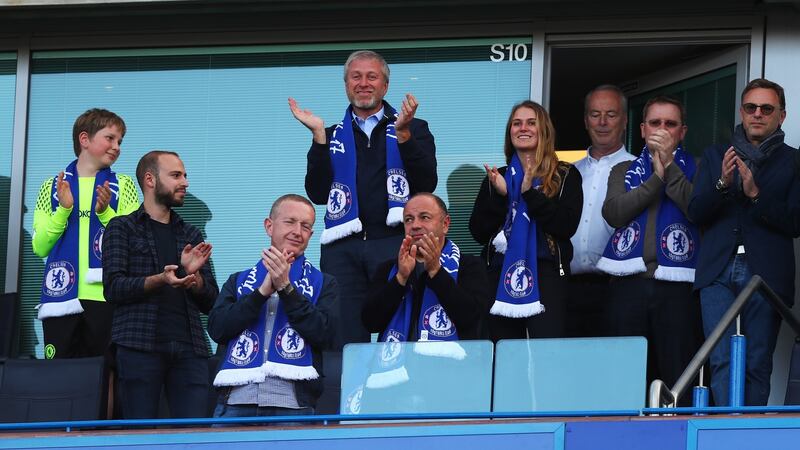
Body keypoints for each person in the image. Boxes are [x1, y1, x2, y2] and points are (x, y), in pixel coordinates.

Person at [289, 50, 437, 349]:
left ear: (385, 85)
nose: (364, 83)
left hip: (395, 243)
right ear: (346, 85)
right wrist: (319, 138)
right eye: (356, 76)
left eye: (372, 76)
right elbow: (317, 194)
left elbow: (426, 184)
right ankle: (344, 397)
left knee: (400, 327)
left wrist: (405, 135)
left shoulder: (413, 127)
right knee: (342, 340)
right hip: (343, 250)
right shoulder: (331, 135)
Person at [689, 78, 800, 406]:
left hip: (765, 271)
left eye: (767, 109)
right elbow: (696, 212)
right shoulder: (714, 155)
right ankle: (724, 432)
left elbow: (795, 222)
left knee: (755, 361)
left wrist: (755, 195)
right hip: (716, 271)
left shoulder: (793, 161)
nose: (757, 114)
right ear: (741, 111)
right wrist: (723, 182)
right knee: (720, 359)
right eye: (751, 107)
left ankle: (747, 434)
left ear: (781, 116)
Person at [597, 95, 702, 404]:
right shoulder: (623, 169)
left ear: (682, 132)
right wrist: (656, 178)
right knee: (624, 376)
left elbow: (696, 208)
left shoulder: (697, 167)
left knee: (678, 376)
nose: (662, 129)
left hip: (679, 287)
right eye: (655, 123)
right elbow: (614, 213)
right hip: (628, 284)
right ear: (642, 130)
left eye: (670, 124)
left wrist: (670, 167)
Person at [103, 150, 218, 419]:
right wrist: (160, 279)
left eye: (185, 175)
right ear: (150, 180)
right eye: (176, 175)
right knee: (139, 435)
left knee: (193, 435)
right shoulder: (122, 228)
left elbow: (212, 301)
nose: (185, 182)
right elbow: (113, 288)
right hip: (138, 347)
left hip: (190, 349)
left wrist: (194, 279)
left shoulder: (190, 233)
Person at [208, 194, 339, 421]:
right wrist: (260, 294)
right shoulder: (238, 280)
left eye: (305, 226)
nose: (297, 231)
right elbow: (218, 328)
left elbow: (324, 334)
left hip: (293, 406)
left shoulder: (325, 283)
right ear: (269, 226)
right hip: (236, 402)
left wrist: (287, 289)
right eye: (290, 222)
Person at [469, 100, 582, 341]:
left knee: (546, 355)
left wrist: (529, 193)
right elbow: (478, 232)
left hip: (547, 275)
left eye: (531, 123)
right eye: (517, 123)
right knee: (504, 357)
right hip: (499, 273)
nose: (523, 128)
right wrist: (502, 196)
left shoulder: (565, 174)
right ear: (509, 132)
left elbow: (565, 225)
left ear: (544, 130)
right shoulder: (496, 177)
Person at [33, 108, 139, 360]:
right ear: (85, 140)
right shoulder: (53, 186)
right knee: (59, 378)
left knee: (105, 376)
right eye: (110, 138)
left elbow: (135, 239)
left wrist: (105, 214)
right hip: (60, 298)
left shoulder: (123, 185)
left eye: (120, 141)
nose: (117, 147)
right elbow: (39, 246)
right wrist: (64, 210)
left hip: (106, 296)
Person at [363, 193, 490, 342]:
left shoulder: (469, 266)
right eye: (409, 220)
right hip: (399, 362)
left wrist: (436, 272)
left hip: (451, 363)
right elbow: (370, 323)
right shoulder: (389, 269)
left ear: (445, 224)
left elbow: (473, 320)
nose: (415, 225)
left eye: (424, 217)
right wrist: (400, 279)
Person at [567, 85, 636, 338]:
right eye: (595, 114)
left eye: (611, 114)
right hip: (568, 289)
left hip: (618, 289)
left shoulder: (639, 170)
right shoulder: (566, 174)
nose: (603, 122)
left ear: (625, 120)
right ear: (586, 121)